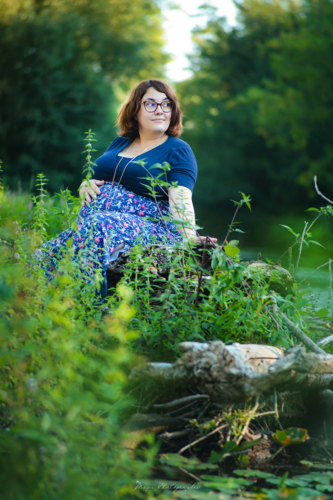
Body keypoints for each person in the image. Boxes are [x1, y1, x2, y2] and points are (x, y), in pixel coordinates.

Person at [41, 79, 217, 297]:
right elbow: (98, 175)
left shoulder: (178, 149)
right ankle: (34, 305)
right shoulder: (120, 143)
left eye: (166, 104)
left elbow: (180, 198)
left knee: (99, 225)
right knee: (47, 252)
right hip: (98, 225)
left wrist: (190, 238)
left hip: (154, 228)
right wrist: (86, 183)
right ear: (135, 110)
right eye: (151, 104)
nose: (160, 110)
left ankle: (84, 309)